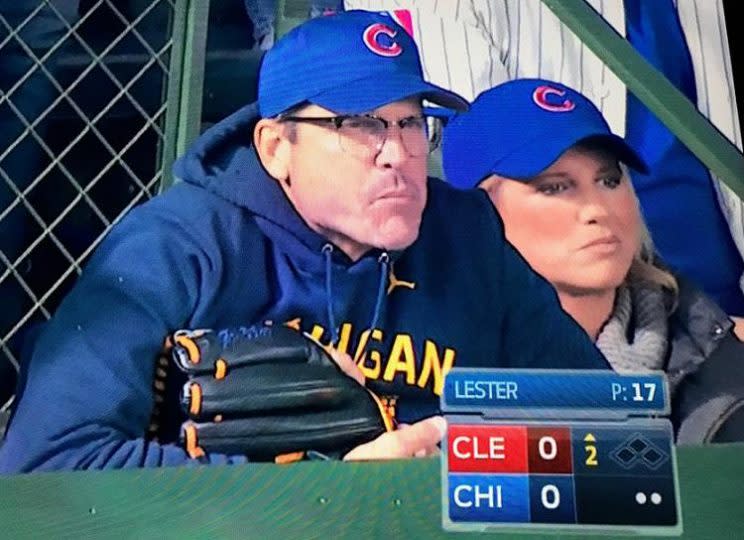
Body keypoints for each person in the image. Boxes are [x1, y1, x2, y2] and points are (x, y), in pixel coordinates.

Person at [0, 11, 610, 474]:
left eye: (410, 123)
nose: (396, 155)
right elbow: (50, 462)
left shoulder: (467, 236)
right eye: (360, 124)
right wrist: (328, 492)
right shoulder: (179, 248)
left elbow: (611, 428)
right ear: (275, 148)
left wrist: (467, 462)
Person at [344, 0, 744, 317]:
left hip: (701, 311)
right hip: (593, 313)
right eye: (555, 186)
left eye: (608, 181)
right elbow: (467, 172)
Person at [442, 78, 744, 444]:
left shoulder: (720, 346)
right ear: (473, 214)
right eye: (554, 187)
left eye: (610, 180)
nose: (597, 210)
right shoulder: (423, 375)